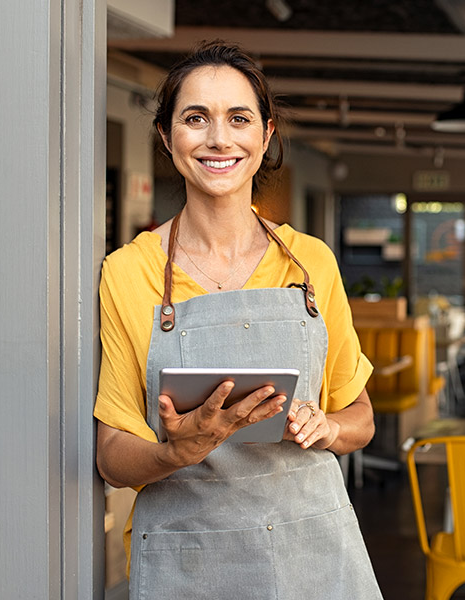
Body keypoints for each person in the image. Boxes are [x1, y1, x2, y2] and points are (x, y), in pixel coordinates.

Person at [93, 40, 382, 598]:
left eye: (239, 118)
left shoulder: (310, 263)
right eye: (195, 118)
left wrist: (329, 428)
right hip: (190, 559)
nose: (218, 138)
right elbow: (111, 456)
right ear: (166, 136)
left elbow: (360, 416)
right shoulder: (129, 272)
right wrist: (176, 451)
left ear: (265, 134)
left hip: (311, 551)